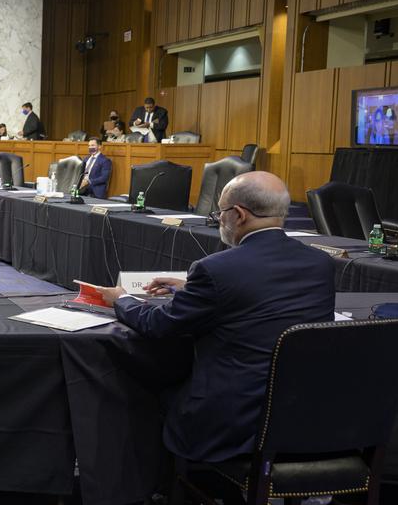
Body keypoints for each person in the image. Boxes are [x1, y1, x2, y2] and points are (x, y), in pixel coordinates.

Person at [87, 172, 335, 463]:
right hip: (303, 415)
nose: (219, 220)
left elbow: (158, 325)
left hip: (232, 423)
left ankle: (151, 483)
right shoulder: (320, 263)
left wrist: (122, 299)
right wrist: (192, 289)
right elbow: (262, 294)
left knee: (142, 389)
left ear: (239, 214)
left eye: (219, 213)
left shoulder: (216, 268)